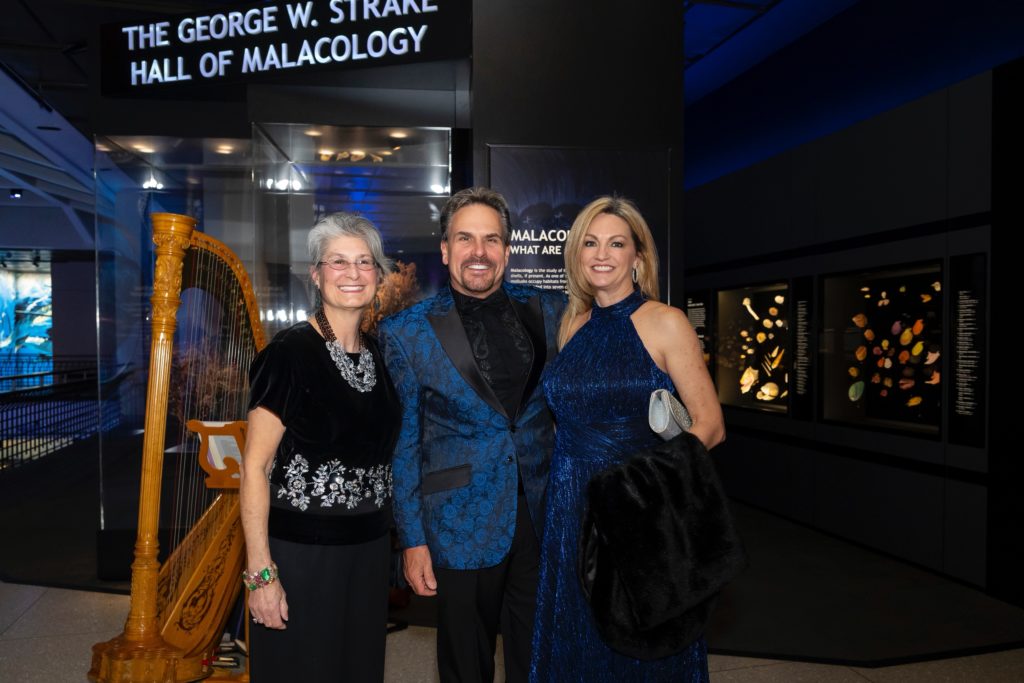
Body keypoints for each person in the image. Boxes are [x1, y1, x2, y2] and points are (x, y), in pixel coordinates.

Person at [530, 196, 726, 681]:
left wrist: (647, 485)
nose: (602, 254)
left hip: (639, 507)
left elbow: (711, 425)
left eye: (616, 243)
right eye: (590, 243)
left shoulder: (665, 321)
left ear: (638, 257)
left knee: (640, 635)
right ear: (576, 254)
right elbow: (566, 418)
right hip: (570, 506)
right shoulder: (571, 324)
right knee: (578, 634)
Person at [378, 187, 566, 682]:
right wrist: (412, 541)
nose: (478, 251)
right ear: (445, 249)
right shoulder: (406, 331)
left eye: (490, 239)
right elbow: (404, 443)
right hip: (458, 522)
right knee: (466, 662)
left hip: (540, 514)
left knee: (540, 653)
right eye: (465, 238)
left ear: (507, 249)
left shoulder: (552, 311)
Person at [239, 212, 401, 682]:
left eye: (364, 262)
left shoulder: (378, 353)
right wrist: (262, 575)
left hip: (368, 554)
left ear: (378, 274)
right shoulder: (289, 355)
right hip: (302, 556)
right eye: (338, 262)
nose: (353, 274)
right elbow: (254, 468)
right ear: (316, 274)